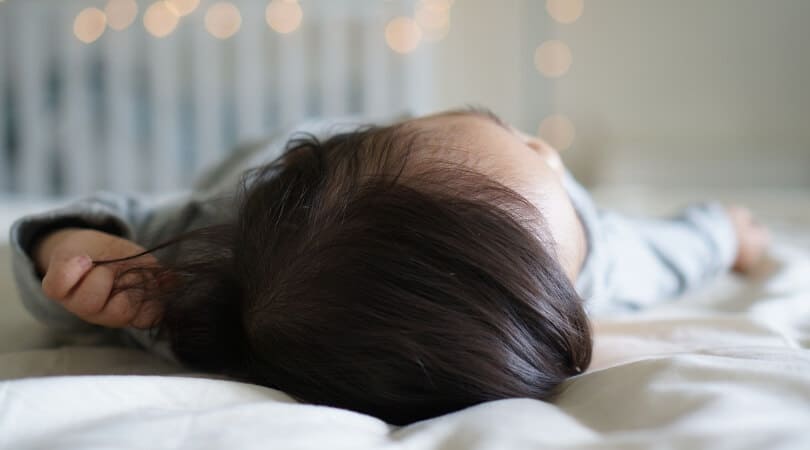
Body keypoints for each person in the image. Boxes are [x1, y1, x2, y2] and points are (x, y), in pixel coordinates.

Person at [9, 108, 770, 425]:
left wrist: (79, 255)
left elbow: (87, 231)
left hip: (301, 176)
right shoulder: (584, 247)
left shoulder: (200, 262)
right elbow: (676, 252)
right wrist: (721, 235)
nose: (549, 148)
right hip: (349, 174)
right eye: (528, 147)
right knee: (646, 246)